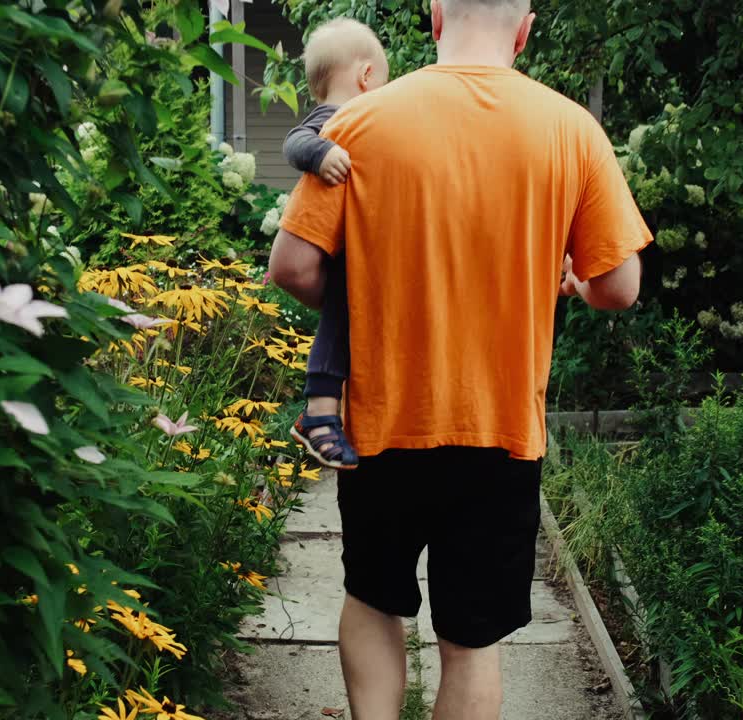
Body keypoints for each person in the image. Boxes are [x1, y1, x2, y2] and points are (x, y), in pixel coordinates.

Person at [267, 0, 652, 718]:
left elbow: (290, 267)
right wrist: (572, 281)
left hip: (382, 425)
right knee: (472, 642)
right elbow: (619, 285)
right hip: (501, 430)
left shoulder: (361, 122)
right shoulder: (572, 129)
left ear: (435, 16)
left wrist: (362, 302)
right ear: (526, 28)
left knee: (373, 599)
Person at [280, 18, 389, 471]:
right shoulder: (338, 119)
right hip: (339, 256)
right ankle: (319, 412)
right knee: (341, 313)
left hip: (351, 251)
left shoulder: (350, 119)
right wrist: (321, 153)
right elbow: (294, 142)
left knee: (345, 321)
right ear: (366, 78)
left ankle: (326, 411)